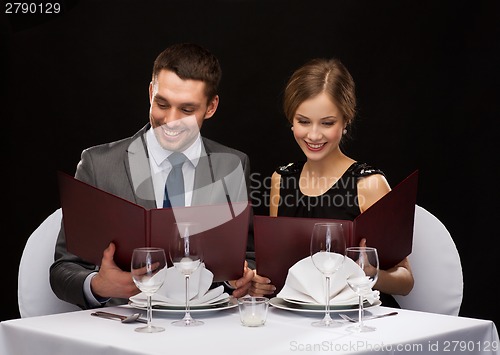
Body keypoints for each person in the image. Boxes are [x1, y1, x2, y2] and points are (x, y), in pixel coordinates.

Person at [50, 43, 254, 309]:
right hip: (126, 331)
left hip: (206, 327)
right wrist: (98, 285)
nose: (170, 120)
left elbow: (247, 257)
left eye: (187, 110)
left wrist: (242, 278)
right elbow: (63, 269)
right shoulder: (97, 165)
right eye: (162, 104)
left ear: (211, 107)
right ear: (150, 93)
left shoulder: (234, 164)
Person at [250, 58, 414, 306]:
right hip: (295, 319)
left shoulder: (369, 183)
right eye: (303, 121)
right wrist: (262, 282)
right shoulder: (281, 179)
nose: (314, 135)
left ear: (346, 121)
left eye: (327, 123)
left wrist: (370, 274)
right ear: (291, 120)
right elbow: (279, 272)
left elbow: (406, 281)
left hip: (353, 321)